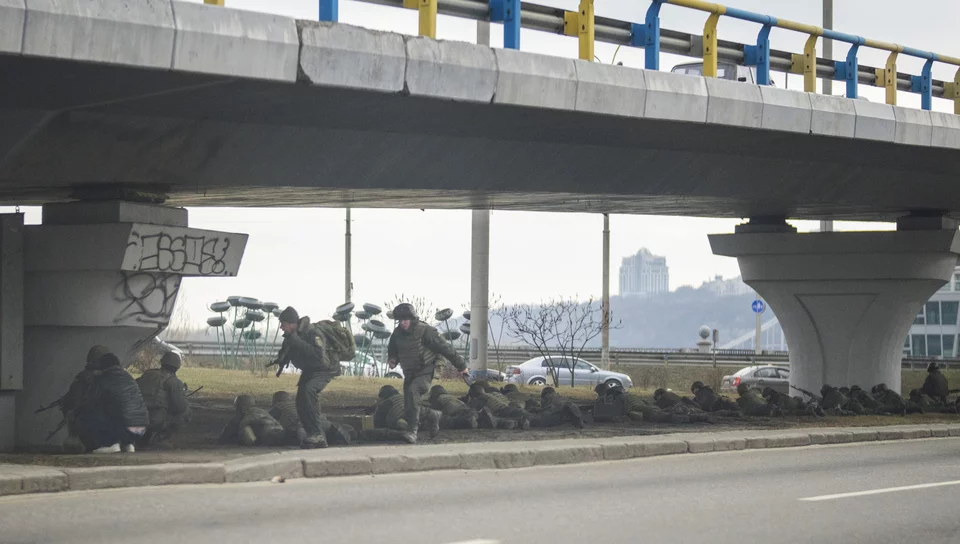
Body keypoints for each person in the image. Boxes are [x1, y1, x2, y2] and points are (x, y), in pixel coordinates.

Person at [387, 303, 468, 441]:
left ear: (412, 319)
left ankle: (412, 432)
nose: (403, 323)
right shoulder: (397, 333)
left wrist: (461, 366)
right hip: (410, 372)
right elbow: (392, 348)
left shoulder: (425, 331)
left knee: (413, 392)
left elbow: (446, 348)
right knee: (408, 408)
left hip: (426, 370)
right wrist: (392, 359)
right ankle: (432, 415)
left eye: (405, 320)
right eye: (400, 320)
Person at [274, 306, 338, 449]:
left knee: (309, 392)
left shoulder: (313, 333)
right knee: (301, 400)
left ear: (292, 324)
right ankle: (314, 435)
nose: (281, 328)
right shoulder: (292, 336)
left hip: (325, 369)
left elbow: (318, 355)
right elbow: (287, 351)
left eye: (283, 324)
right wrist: (280, 361)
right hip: (310, 370)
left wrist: (297, 342)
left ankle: (318, 434)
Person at [72, 353, 149, 453]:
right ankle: (128, 444)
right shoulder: (129, 377)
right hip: (142, 429)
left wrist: (77, 411)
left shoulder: (103, 379)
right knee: (121, 408)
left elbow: (90, 403)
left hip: (123, 428)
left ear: (102, 366)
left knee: (89, 414)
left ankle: (109, 444)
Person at [59, 345, 110, 453]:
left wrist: (70, 413)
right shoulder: (109, 377)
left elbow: (71, 400)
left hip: (84, 422)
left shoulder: (82, 376)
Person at [136, 351, 191, 448]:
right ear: (177, 367)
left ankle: (143, 438)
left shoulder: (147, 374)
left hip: (137, 415)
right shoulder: (174, 382)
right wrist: (183, 396)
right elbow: (180, 407)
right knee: (186, 412)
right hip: (155, 419)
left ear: (162, 362)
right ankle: (161, 439)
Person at [269, 390, 355, 446]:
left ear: (275, 401)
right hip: (322, 423)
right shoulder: (302, 404)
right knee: (332, 430)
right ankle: (344, 433)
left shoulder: (279, 406)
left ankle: (309, 442)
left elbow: (268, 421)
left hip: (299, 427)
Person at [363, 385, 440, 443]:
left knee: (396, 422)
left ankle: (406, 428)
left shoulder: (385, 402)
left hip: (401, 418)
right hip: (416, 413)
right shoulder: (403, 397)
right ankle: (428, 418)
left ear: (383, 395)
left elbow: (377, 420)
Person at [219, 394, 285, 446]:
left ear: (239, 407)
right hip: (281, 434)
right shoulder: (263, 411)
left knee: (244, 430)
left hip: (268, 438)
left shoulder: (244, 413)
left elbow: (225, 436)